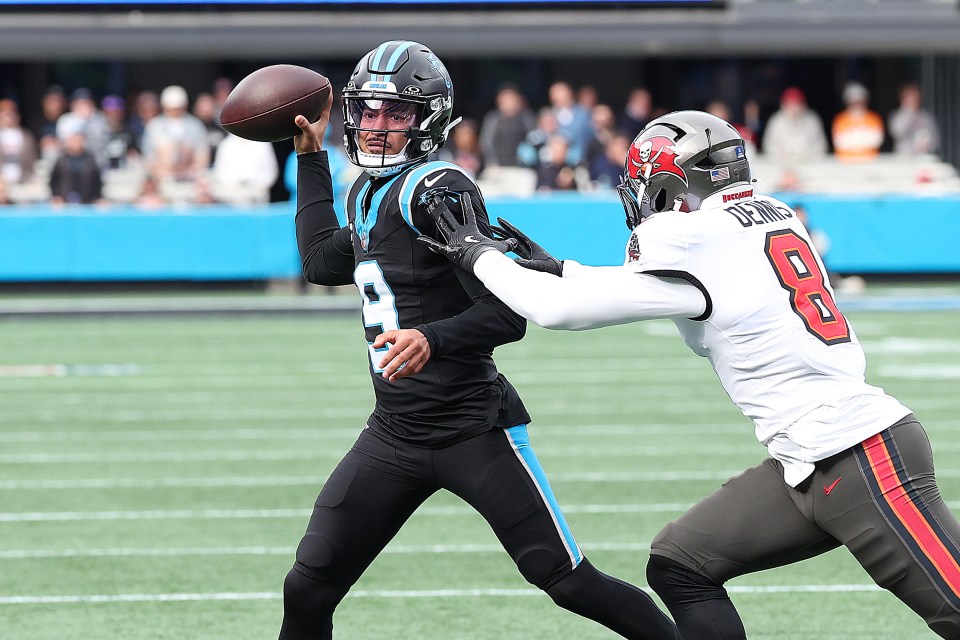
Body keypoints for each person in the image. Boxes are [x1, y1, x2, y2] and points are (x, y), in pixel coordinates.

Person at [421, 110, 960, 640]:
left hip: (863, 455)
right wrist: (564, 270)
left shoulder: (691, 237)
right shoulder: (767, 214)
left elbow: (559, 311)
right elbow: (672, 285)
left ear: (673, 184)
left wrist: (480, 257)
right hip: (805, 461)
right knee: (681, 563)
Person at [280, 39, 680, 640]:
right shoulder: (367, 190)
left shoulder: (436, 189)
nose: (377, 126)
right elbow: (318, 260)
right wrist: (310, 159)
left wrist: (432, 340)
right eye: (367, 110)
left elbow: (507, 313)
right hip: (395, 431)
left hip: (472, 427)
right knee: (307, 587)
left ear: (429, 118)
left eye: (396, 113)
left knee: (563, 579)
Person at [761, 87, 828, 164]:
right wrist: (781, 156)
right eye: (790, 105)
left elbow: (821, 146)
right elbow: (768, 146)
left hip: (809, 165)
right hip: (782, 165)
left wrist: (805, 156)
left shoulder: (812, 120)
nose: (793, 109)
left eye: (796, 105)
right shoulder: (776, 121)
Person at [832, 81, 884, 161]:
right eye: (853, 102)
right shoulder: (840, 119)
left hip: (870, 161)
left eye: (860, 102)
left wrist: (852, 138)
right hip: (845, 164)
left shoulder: (874, 118)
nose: (857, 105)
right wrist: (864, 138)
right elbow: (840, 143)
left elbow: (877, 140)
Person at [889, 82, 939, 156]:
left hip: (922, 157)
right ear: (903, 99)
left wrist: (927, 145)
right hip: (903, 157)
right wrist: (908, 113)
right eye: (909, 98)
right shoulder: (897, 116)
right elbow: (897, 132)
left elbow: (936, 140)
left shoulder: (926, 117)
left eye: (915, 98)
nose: (912, 101)